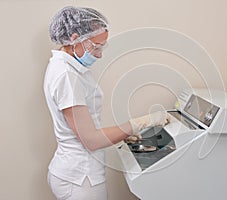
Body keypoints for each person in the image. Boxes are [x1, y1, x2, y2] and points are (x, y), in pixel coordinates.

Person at [44, 6, 169, 200]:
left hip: (76, 172)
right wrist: (139, 124)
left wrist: (124, 134)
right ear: (75, 38)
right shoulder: (66, 74)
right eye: (96, 47)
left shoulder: (70, 68)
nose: (100, 54)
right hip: (80, 178)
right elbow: (91, 140)